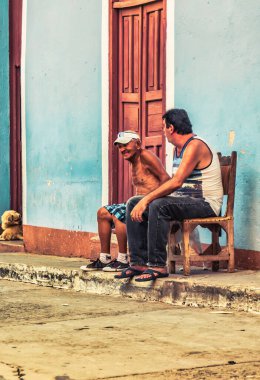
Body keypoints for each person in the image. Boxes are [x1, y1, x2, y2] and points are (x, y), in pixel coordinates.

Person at [115, 109, 223, 281]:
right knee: (133, 202)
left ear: (171, 128)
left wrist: (148, 199)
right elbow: (174, 185)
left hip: (205, 204)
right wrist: (142, 201)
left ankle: (157, 265)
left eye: (163, 128)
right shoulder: (178, 149)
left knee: (158, 205)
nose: (163, 133)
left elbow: (176, 182)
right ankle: (138, 262)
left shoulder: (195, 145)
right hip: (185, 202)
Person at [80, 130, 170, 271]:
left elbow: (166, 179)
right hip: (138, 203)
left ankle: (123, 259)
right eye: (120, 146)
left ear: (138, 144)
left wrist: (151, 200)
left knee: (119, 215)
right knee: (102, 213)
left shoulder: (145, 156)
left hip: (151, 204)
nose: (122, 149)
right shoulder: (133, 161)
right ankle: (105, 259)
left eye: (125, 145)